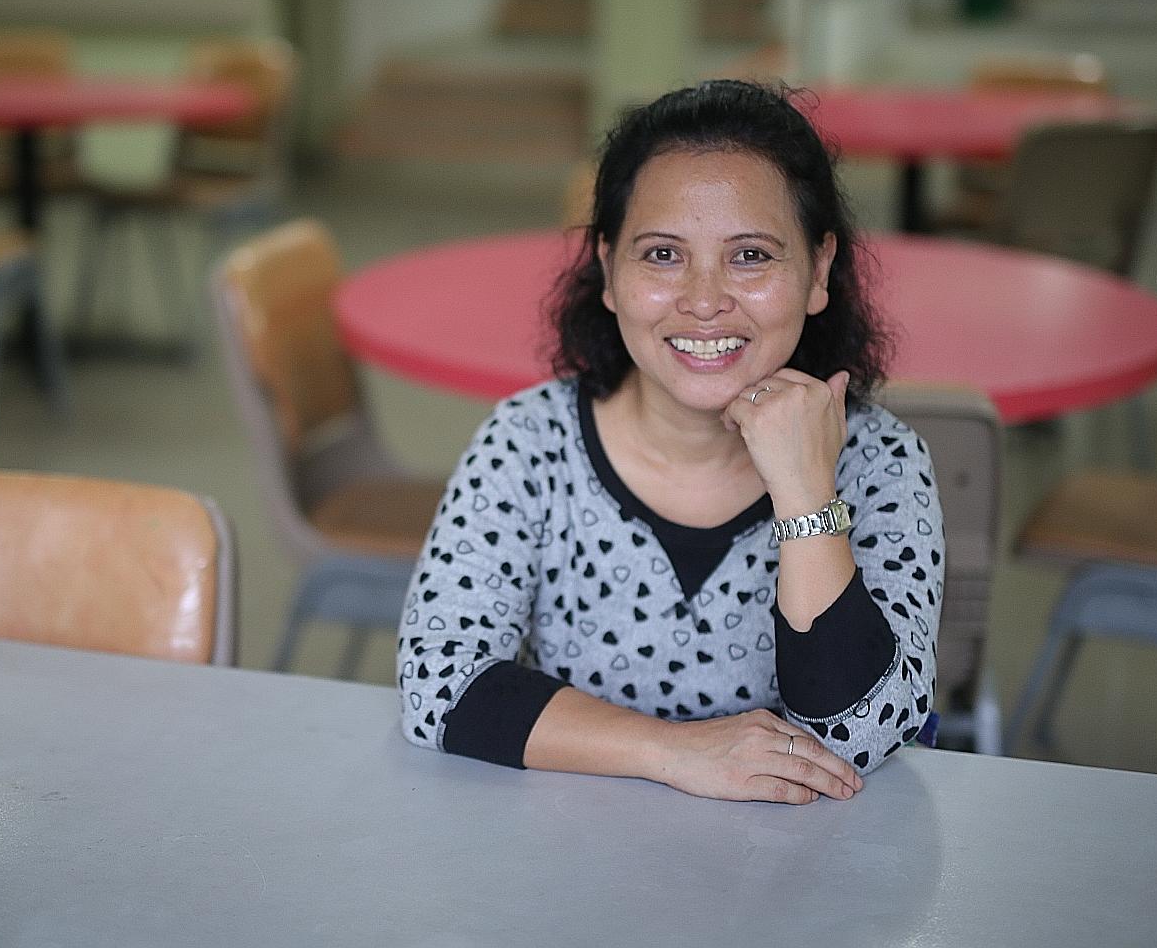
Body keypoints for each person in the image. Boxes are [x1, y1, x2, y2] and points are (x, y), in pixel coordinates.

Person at [397, 80, 943, 804]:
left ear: (818, 271)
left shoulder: (884, 462)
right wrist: (676, 753)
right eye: (661, 254)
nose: (705, 298)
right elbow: (439, 685)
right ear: (610, 273)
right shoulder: (530, 439)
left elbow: (860, 735)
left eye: (750, 255)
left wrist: (806, 492)